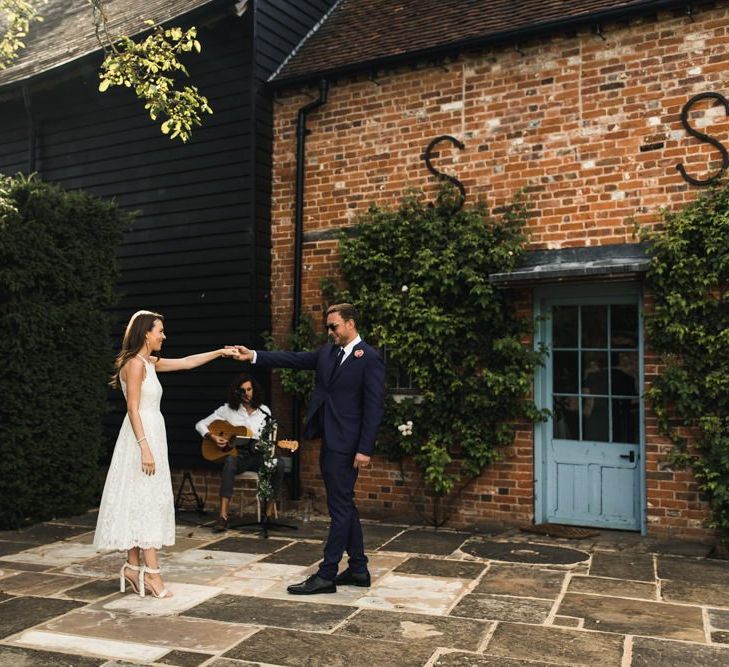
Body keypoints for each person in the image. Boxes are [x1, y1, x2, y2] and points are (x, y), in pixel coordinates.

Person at [232, 303, 385, 595]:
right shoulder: (327, 353)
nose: (329, 332)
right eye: (327, 326)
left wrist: (364, 448)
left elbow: (374, 407)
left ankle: (327, 574)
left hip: (350, 445)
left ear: (350, 324)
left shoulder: (370, 358)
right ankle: (358, 568)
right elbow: (292, 358)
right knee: (344, 503)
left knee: (339, 507)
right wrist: (252, 355)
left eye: (334, 326)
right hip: (330, 439)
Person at [93, 310, 238, 599]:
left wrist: (220, 352)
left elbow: (187, 362)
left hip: (150, 435)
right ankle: (153, 574)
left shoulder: (149, 362)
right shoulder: (135, 364)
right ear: (146, 332)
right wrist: (145, 447)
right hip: (140, 437)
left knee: (140, 499)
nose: (164, 335)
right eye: (160, 330)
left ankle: (133, 568)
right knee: (145, 500)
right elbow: (133, 408)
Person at [195, 373, 285, 532]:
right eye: (242, 390)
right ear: (237, 393)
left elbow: (268, 440)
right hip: (239, 457)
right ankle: (223, 516)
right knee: (230, 461)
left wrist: (263, 445)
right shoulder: (227, 410)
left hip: (257, 457)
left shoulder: (264, 411)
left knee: (279, 464)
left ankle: (268, 514)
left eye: (249, 389)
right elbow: (201, 424)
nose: (247, 393)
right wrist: (213, 437)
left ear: (254, 390)